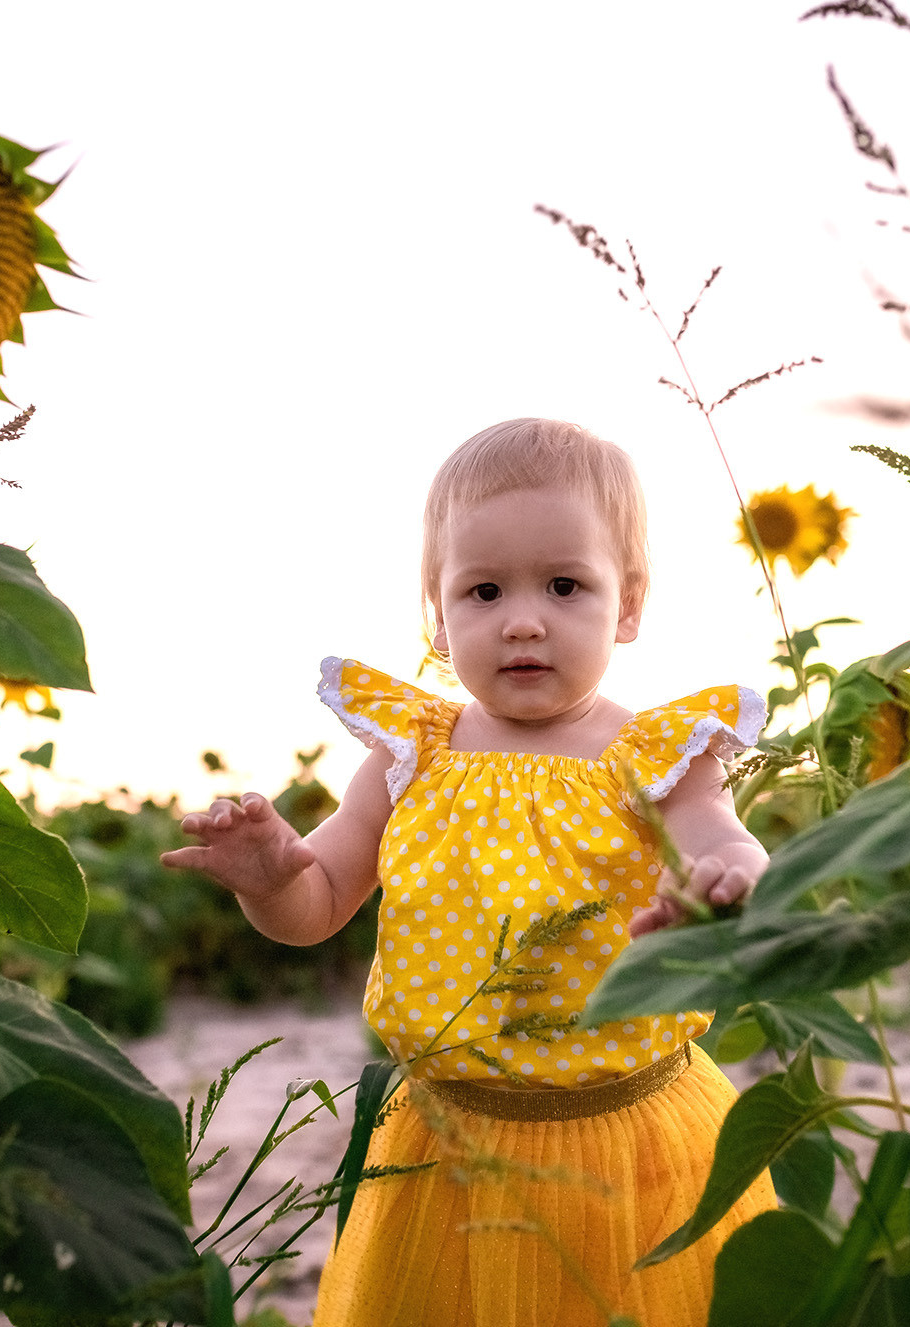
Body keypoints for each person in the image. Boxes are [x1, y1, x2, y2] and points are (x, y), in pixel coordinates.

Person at [163, 417, 778, 1326]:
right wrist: (270, 876)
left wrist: (726, 881)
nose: (523, 619)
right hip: (443, 1145)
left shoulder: (655, 755)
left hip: (630, 1139)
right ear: (437, 614)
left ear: (631, 602)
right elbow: (318, 903)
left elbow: (719, 838)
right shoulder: (410, 754)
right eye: (483, 590)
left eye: (565, 585)